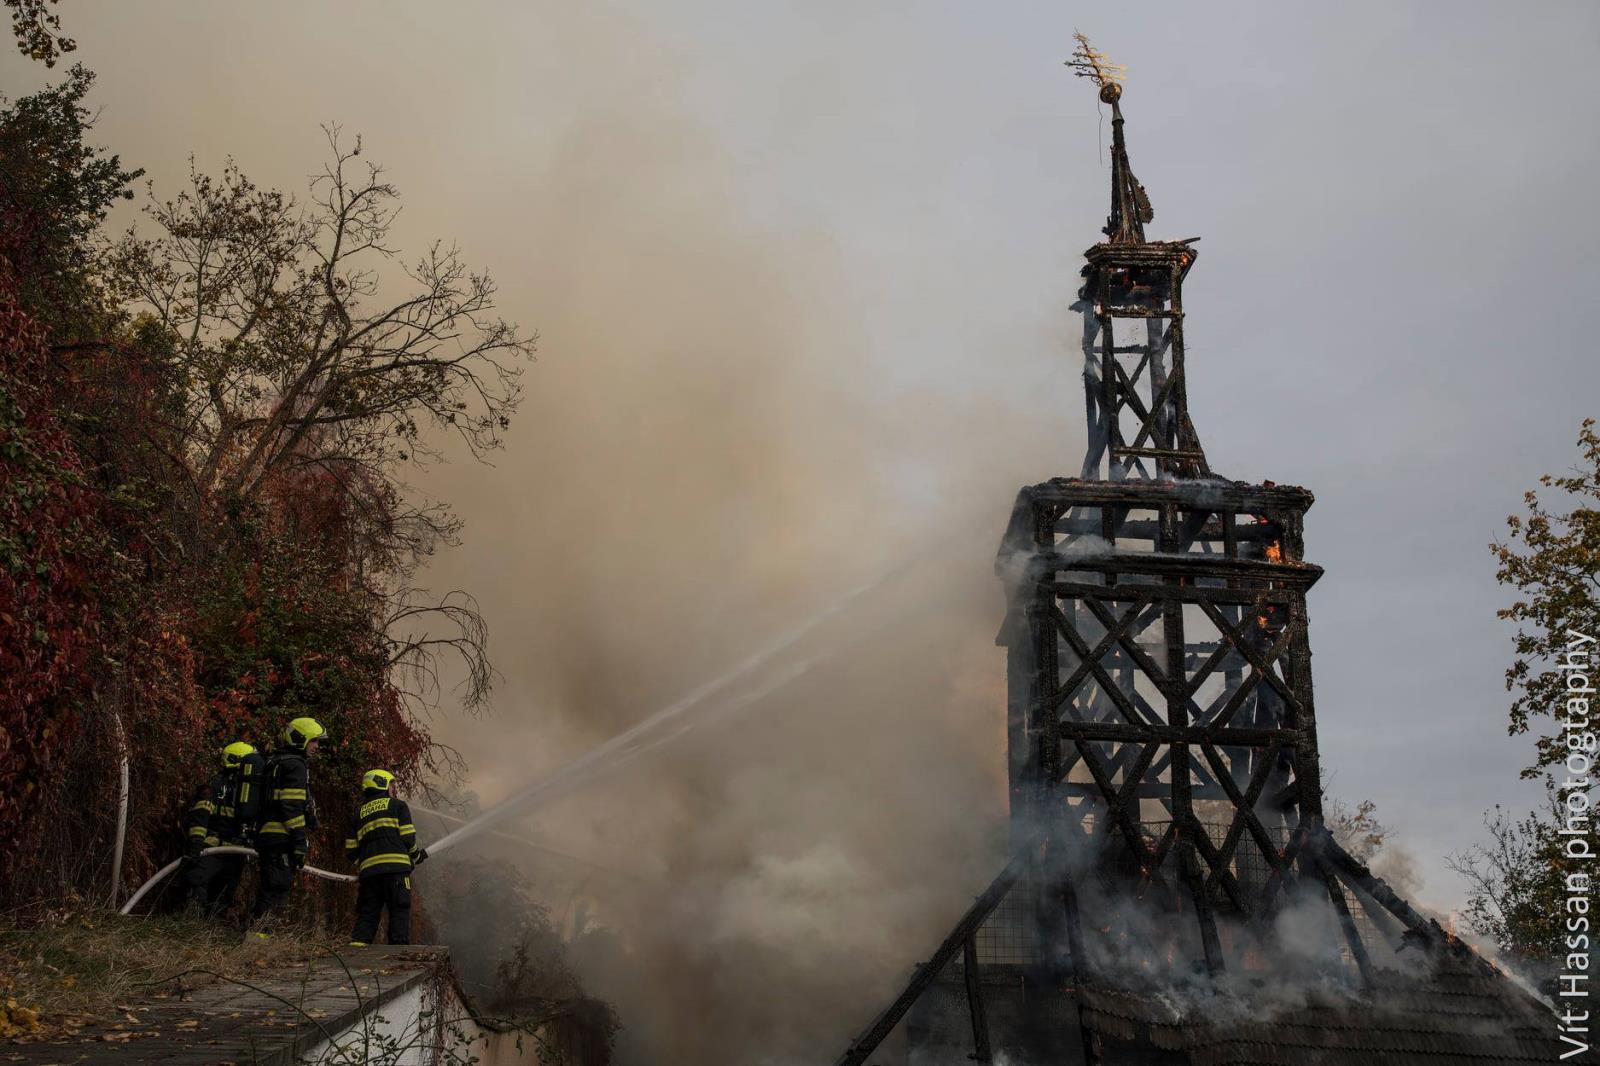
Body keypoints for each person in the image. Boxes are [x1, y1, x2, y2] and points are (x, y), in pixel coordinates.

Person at [249, 716, 325, 930]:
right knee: (276, 889)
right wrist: (299, 840)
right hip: (281, 837)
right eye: (314, 741)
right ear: (301, 739)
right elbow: (291, 806)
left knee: (269, 888)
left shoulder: (275, 761)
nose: (317, 746)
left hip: (267, 836)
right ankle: (261, 939)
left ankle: (261, 938)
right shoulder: (295, 765)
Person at [344, 768, 427, 946]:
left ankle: (355, 952)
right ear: (382, 784)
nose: (393, 789)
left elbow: (351, 851)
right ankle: (397, 956)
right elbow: (407, 838)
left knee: (368, 912)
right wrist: (416, 855)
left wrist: (366, 863)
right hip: (396, 872)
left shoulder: (358, 814)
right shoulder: (397, 806)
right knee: (399, 909)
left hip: (370, 875)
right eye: (391, 784)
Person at [182, 741, 264, 917]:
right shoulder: (215, 786)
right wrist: (196, 843)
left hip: (234, 851)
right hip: (211, 848)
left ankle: (212, 931)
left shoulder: (249, 790)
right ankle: (192, 925)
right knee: (198, 881)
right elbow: (200, 816)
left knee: (224, 893)